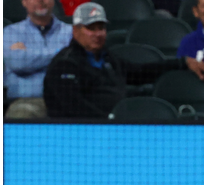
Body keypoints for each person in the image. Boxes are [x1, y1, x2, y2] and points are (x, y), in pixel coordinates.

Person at [43, 2, 194, 118]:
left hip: (113, 130)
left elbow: (139, 72)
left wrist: (182, 63)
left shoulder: (107, 58)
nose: (98, 34)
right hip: (80, 135)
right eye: (91, 28)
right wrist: (111, 120)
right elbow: (73, 108)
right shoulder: (65, 64)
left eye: (101, 28)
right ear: (76, 31)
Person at [3, 0, 72, 118]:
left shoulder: (71, 32)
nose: (40, 0)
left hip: (67, 102)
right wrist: (60, 53)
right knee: (21, 115)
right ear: (24, 2)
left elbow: (74, 61)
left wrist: (29, 55)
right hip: (25, 101)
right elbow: (18, 62)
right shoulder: (11, 32)